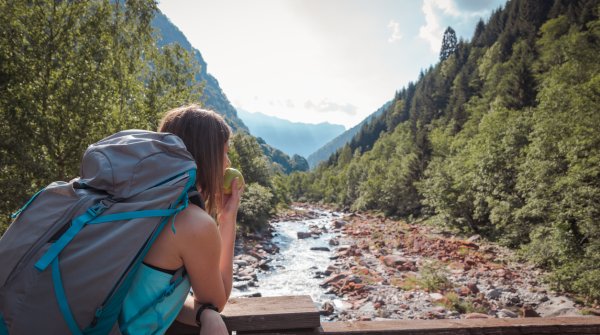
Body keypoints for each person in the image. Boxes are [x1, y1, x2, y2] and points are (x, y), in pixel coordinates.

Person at [119, 105, 242, 335]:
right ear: (208, 156)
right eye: (224, 152)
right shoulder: (194, 224)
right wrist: (227, 218)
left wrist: (199, 313)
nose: (227, 162)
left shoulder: (139, 202)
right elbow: (216, 300)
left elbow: (149, 297)